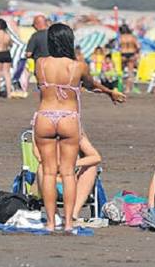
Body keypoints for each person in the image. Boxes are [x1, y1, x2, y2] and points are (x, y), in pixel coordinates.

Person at [32, 23, 125, 232]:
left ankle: (49, 222)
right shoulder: (78, 66)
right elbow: (91, 85)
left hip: (45, 115)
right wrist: (110, 92)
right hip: (68, 117)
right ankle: (67, 222)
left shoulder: (40, 63)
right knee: (67, 172)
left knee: (48, 172)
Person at [32, 130, 102, 222]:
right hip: (52, 181)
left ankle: (73, 214)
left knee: (91, 168)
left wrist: (73, 164)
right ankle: (54, 215)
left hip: (73, 182)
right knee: (41, 168)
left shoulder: (77, 135)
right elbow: (39, 156)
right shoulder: (43, 134)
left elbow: (96, 157)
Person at [0, 19, 14, 98]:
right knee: (7, 74)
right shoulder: (7, 34)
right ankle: (9, 93)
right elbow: (11, 44)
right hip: (6, 53)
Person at [119, 24, 140, 94]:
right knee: (130, 73)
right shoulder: (132, 37)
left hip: (123, 54)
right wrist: (137, 53)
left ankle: (120, 87)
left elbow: (118, 46)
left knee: (120, 72)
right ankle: (127, 89)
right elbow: (138, 46)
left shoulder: (120, 37)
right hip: (131, 54)